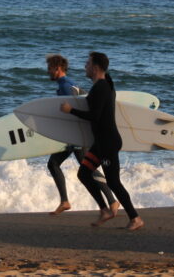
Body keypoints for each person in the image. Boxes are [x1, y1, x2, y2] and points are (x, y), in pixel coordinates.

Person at [60, 52, 144, 231]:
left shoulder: (102, 87)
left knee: (113, 182)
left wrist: (70, 110)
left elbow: (94, 116)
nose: (85, 66)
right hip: (100, 143)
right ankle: (105, 210)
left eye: (87, 63)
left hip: (108, 143)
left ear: (96, 67)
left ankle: (135, 218)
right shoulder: (103, 85)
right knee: (83, 174)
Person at [45, 54, 119, 217]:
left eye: (49, 68)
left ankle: (112, 200)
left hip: (76, 137)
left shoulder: (66, 86)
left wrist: (75, 135)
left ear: (57, 69)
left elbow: (80, 108)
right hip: (72, 136)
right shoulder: (66, 84)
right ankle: (65, 201)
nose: (47, 71)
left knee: (87, 169)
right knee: (54, 164)